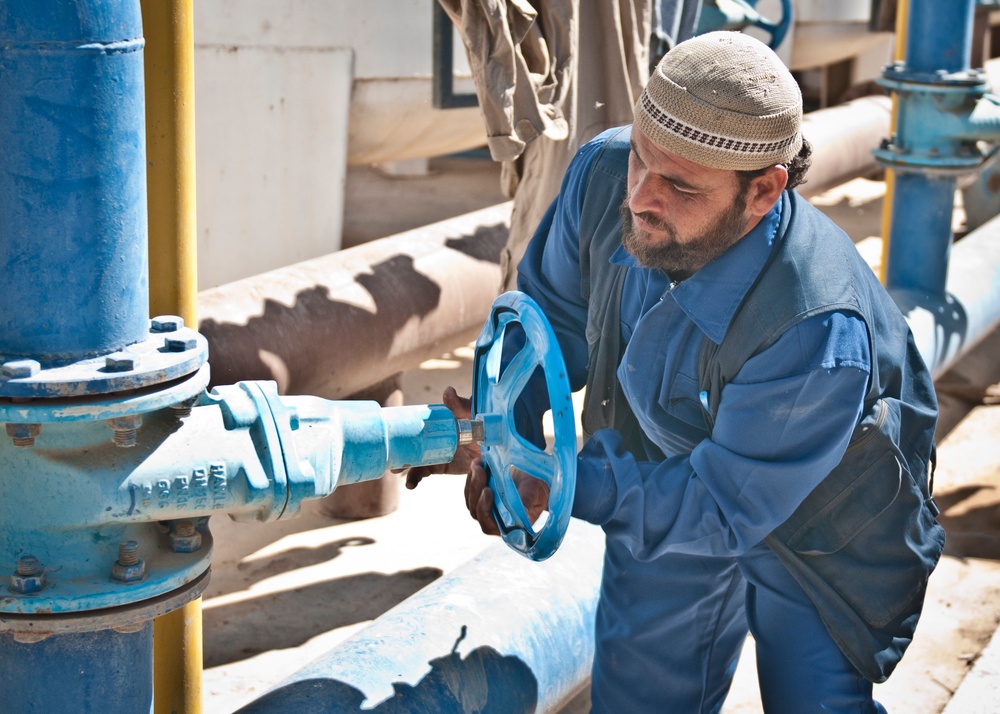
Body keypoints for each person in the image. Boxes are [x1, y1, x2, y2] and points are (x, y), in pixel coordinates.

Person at [406, 31, 945, 713]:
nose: (640, 197)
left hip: (818, 524)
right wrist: (500, 432)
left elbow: (720, 507)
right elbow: (554, 318)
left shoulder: (814, 325)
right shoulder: (604, 177)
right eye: (640, 158)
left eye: (680, 186)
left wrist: (555, 480)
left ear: (765, 191)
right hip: (660, 470)